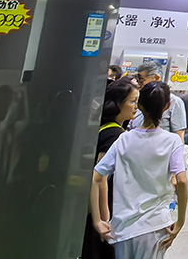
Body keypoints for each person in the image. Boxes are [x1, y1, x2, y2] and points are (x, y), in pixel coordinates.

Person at [91, 81, 188, 258]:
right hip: (155, 226)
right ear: (167, 106)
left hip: (123, 229)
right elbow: (181, 180)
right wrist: (180, 221)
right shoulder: (172, 141)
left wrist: (98, 221)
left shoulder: (123, 139)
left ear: (140, 105)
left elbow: (96, 177)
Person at [83, 79, 138, 259]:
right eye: (132, 101)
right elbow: (99, 178)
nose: (136, 107)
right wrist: (103, 219)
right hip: (101, 210)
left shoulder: (102, 127)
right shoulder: (115, 134)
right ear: (117, 104)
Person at [133, 64, 186, 142]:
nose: (139, 85)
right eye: (138, 82)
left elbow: (179, 134)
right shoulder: (140, 98)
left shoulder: (174, 101)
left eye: (142, 81)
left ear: (156, 78)